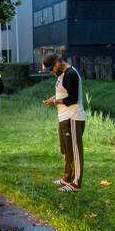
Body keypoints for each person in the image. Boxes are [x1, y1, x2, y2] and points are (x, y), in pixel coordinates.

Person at [42, 53, 86, 192]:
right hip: (64, 117)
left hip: (73, 117)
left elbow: (72, 99)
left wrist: (54, 101)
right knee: (66, 150)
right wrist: (55, 97)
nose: (52, 72)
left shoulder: (70, 74)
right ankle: (67, 178)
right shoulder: (62, 74)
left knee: (75, 151)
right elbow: (64, 93)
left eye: (51, 69)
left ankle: (76, 184)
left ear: (58, 63)